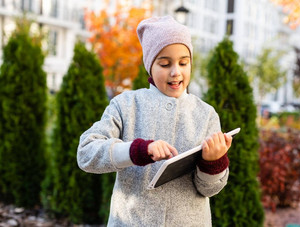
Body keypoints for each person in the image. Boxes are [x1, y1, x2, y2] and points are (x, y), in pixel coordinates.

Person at [77, 15, 233, 227]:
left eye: (183, 62)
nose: (176, 72)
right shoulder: (126, 104)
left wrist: (213, 162)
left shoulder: (206, 114)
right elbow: (86, 154)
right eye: (165, 63)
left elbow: (209, 189)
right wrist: (136, 150)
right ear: (150, 66)